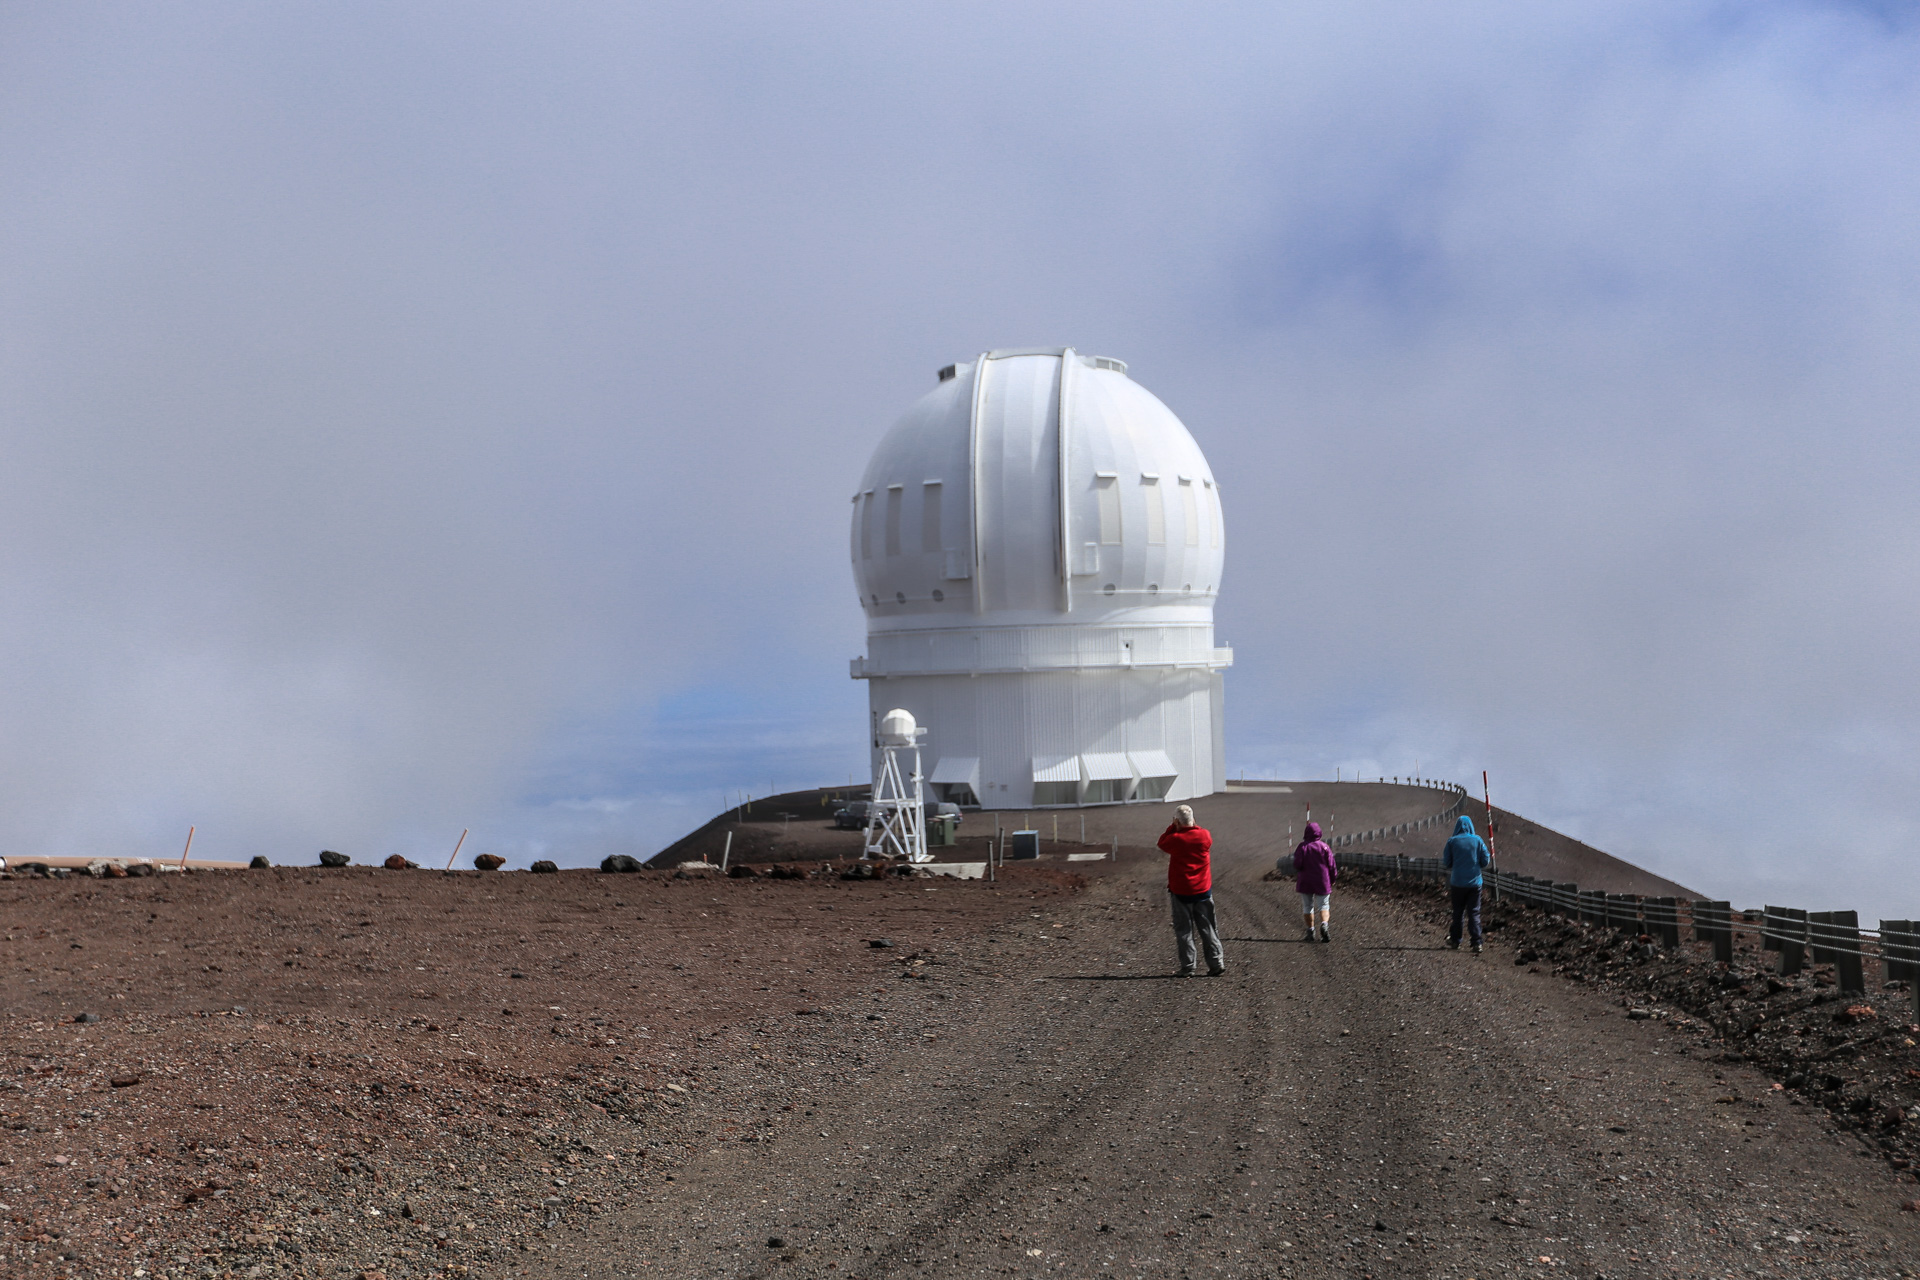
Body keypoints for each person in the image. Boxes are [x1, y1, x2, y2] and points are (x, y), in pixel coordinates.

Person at [1157, 804, 1224, 977]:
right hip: (1202, 890)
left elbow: (1161, 843)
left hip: (1181, 891)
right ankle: (1216, 963)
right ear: (1193, 819)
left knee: (1184, 930)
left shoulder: (1176, 839)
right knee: (1208, 928)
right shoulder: (1205, 836)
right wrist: (1193, 824)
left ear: (1177, 821)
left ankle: (1188, 966)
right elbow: (1199, 832)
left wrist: (1173, 826)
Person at [1442, 814, 1493, 953]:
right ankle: (1477, 942)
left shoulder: (1452, 841)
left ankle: (1455, 940)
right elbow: (1485, 861)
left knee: (1458, 913)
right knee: (1474, 913)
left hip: (1457, 883)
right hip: (1475, 884)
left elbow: (1446, 862)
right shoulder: (1477, 840)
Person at [1291, 821, 1336, 942]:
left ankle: (1310, 931)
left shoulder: (1302, 847)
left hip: (1306, 881)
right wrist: (1333, 878)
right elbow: (1332, 865)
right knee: (1324, 905)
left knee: (1307, 906)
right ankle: (1324, 925)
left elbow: (1297, 864)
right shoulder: (1325, 847)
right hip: (1322, 880)